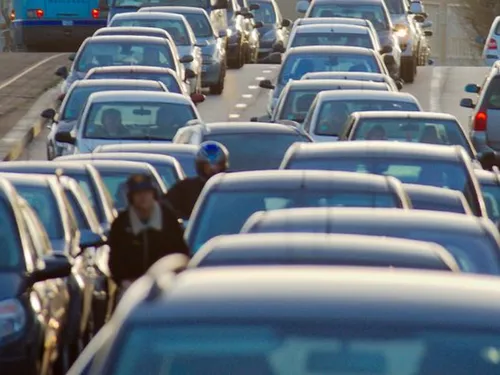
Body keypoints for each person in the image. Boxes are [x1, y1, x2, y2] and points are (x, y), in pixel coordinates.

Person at [108, 174, 189, 295]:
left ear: (153, 194)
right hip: (131, 289)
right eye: (138, 193)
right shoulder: (121, 224)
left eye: (147, 192)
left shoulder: (168, 219)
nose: (143, 197)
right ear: (131, 197)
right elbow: (115, 260)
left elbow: (180, 253)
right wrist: (124, 282)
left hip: (166, 287)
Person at [164, 141, 229, 219]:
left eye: (217, 164)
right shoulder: (185, 188)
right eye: (208, 165)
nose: (213, 169)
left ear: (223, 165)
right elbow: (165, 208)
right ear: (200, 166)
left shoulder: (232, 187)